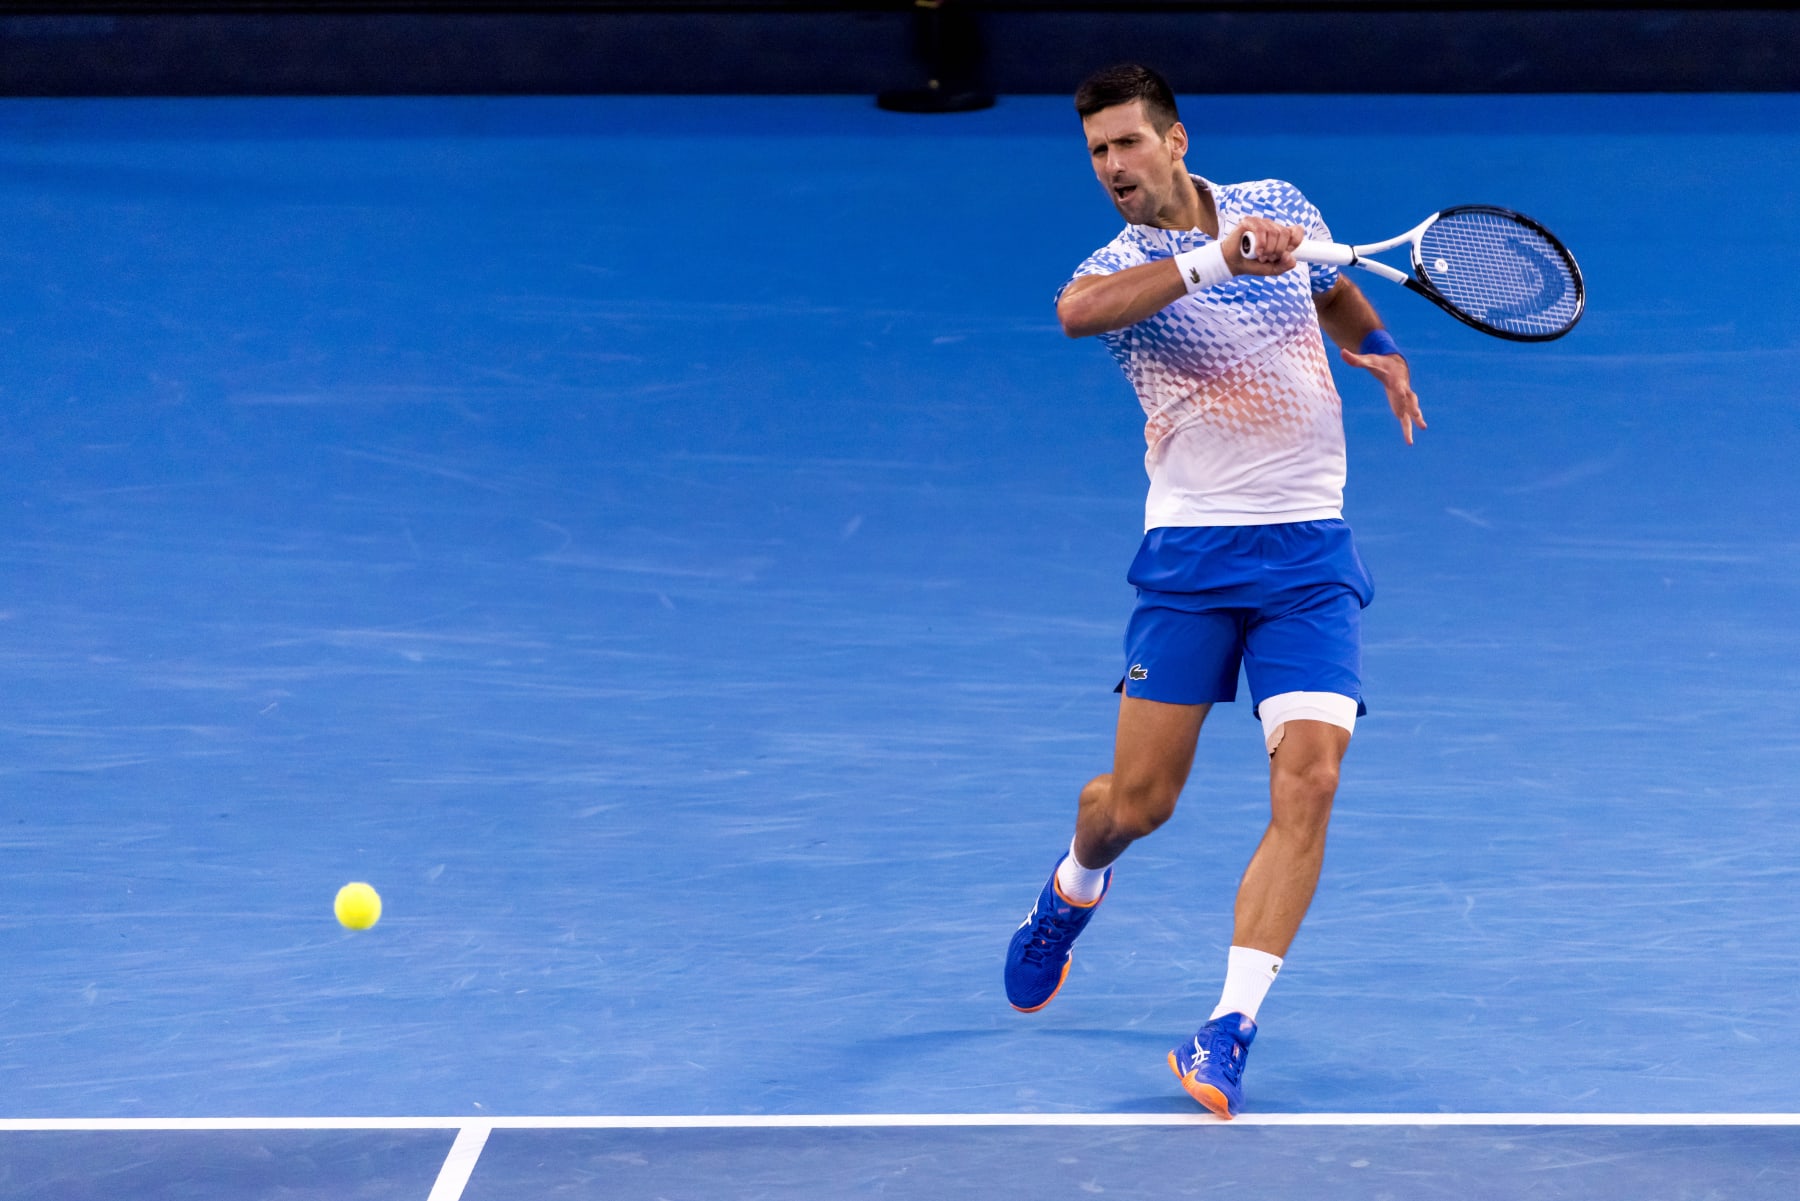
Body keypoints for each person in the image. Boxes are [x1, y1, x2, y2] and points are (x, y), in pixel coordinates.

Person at [1002, 64, 1425, 1119]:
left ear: (1176, 141)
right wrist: (1207, 260)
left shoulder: (1282, 211)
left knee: (1313, 779)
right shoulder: (1120, 268)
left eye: (1127, 146)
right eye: (1097, 153)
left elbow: (1327, 286)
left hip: (1309, 556)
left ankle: (1227, 1026)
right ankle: (1071, 887)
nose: (1111, 169)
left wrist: (1375, 347)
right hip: (1192, 561)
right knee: (1137, 804)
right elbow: (1077, 313)